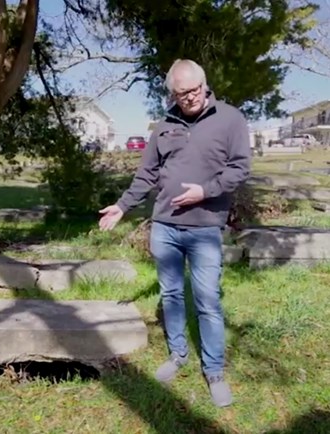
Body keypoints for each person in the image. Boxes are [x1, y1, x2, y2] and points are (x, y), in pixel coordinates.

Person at [98, 59, 251, 408]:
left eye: (194, 91)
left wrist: (206, 190)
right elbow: (147, 175)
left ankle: (213, 371)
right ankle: (178, 354)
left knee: (208, 301)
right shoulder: (165, 126)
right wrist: (122, 206)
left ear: (205, 85)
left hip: (204, 227)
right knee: (171, 296)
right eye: (181, 94)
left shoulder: (230, 118)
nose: (189, 98)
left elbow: (240, 167)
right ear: (173, 94)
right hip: (164, 226)